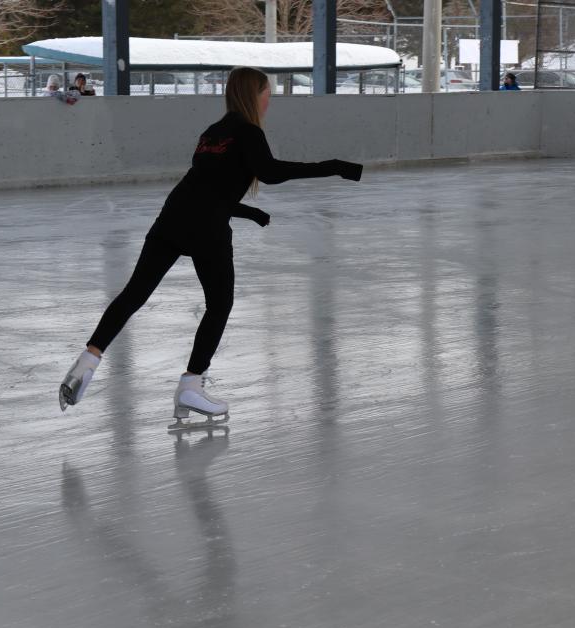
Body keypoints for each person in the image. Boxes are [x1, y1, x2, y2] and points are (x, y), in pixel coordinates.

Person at [59, 66, 363, 424]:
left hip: (172, 217)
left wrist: (248, 212)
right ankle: (191, 385)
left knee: (134, 293)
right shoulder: (248, 132)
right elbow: (271, 173)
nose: (270, 100)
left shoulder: (212, 133)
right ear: (255, 95)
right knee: (219, 305)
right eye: (268, 93)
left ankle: (87, 362)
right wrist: (336, 166)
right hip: (207, 228)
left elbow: (206, 186)